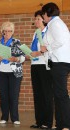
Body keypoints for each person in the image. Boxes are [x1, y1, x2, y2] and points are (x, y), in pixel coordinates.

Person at [41, 2, 70, 130]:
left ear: (48, 13)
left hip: (60, 63)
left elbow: (60, 41)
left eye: (43, 14)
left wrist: (46, 47)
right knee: (58, 94)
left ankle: (66, 124)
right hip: (59, 62)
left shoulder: (55, 24)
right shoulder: (56, 23)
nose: (43, 17)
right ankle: (60, 124)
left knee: (61, 94)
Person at [0, 22, 25, 125]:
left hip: (14, 73)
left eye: (10, 31)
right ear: (2, 31)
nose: (7, 33)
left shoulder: (17, 42)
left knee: (14, 96)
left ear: (12, 32)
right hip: (0, 72)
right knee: (3, 96)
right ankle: (4, 116)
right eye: (5, 31)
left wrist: (16, 59)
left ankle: (15, 118)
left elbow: (23, 57)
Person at [29, 10, 54, 129]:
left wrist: (38, 53)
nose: (36, 21)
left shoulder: (48, 32)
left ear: (44, 20)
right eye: (35, 19)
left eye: (38, 19)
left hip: (45, 66)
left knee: (46, 94)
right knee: (37, 94)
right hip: (34, 65)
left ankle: (48, 122)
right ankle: (39, 121)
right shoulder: (36, 33)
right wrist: (29, 53)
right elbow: (33, 50)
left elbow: (49, 48)